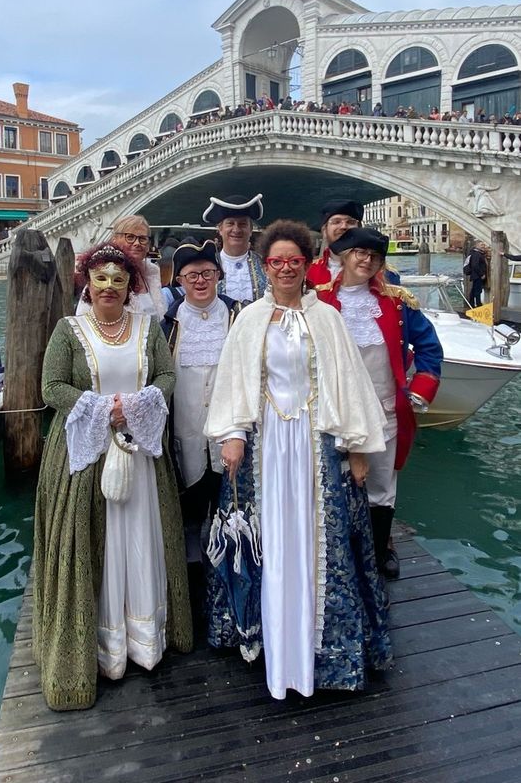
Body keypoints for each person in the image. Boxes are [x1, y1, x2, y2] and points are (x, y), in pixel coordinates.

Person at [205, 219, 392, 699]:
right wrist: (232, 432)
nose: (286, 269)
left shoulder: (325, 318)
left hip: (316, 446)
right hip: (265, 443)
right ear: (265, 266)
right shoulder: (249, 319)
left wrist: (354, 448)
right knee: (270, 538)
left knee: (318, 541)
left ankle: (321, 652)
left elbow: (349, 383)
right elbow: (232, 381)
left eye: (294, 261)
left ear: (308, 264)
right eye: (276, 261)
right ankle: (270, 642)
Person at [33, 243, 192, 711]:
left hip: (140, 454)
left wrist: (135, 407)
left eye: (117, 280)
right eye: (100, 279)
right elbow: (51, 386)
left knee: (142, 537)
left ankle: (145, 640)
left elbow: (166, 377)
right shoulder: (69, 330)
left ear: (131, 286)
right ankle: (103, 649)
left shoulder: (147, 328)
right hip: (86, 453)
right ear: (87, 281)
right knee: (91, 542)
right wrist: (104, 409)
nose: (108, 287)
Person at [326, 228, 443, 578]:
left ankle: (379, 554)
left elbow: (429, 348)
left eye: (374, 256)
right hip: (334, 410)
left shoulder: (397, 302)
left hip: (384, 408)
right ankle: (337, 555)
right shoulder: (318, 301)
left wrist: (419, 389)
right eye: (359, 253)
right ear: (345, 255)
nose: (366, 261)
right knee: (332, 484)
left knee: (380, 487)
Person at [161, 240, 242, 563]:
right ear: (179, 280)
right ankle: (193, 573)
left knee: (231, 509)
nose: (200, 281)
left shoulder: (237, 315)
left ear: (218, 275)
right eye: (191, 275)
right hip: (186, 430)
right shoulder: (168, 325)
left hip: (230, 432)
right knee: (190, 510)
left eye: (207, 273)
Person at [76, 214, 165, 318]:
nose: (137, 243)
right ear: (115, 240)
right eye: (130, 237)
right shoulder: (102, 274)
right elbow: (84, 317)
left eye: (142, 238)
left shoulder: (151, 274)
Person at [202, 193, 266, 302]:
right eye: (230, 223)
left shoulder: (264, 264)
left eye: (242, 224)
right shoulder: (205, 265)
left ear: (251, 230)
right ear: (220, 229)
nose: (236, 229)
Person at [306, 198, 364, 288]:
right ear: (324, 231)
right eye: (336, 222)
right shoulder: (308, 272)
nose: (344, 226)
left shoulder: (383, 273)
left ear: (360, 228)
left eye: (350, 222)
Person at [468, 240, 489, 307]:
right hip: (477, 275)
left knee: (474, 289)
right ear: (477, 246)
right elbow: (475, 265)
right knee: (478, 290)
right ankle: (478, 304)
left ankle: (471, 303)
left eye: (483, 245)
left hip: (476, 275)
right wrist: (481, 274)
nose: (483, 246)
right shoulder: (476, 254)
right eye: (481, 245)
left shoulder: (477, 253)